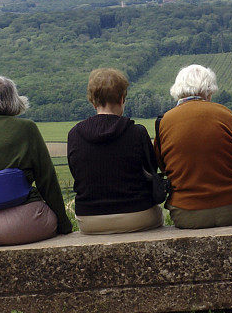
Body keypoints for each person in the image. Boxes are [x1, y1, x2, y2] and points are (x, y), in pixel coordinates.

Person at [0, 75, 71, 247]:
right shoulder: (27, 128)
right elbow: (47, 181)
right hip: (25, 224)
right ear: (14, 100)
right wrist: (64, 225)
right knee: (50, 219)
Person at [67, 68, 163, 234]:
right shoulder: (137, 132)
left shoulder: (74, 134)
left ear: (92, 101)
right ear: (122, 98)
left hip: (89, 219)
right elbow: (152, 171)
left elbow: (76, 172)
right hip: (137, 214)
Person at [156, 64, 232, 229]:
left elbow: (163, 166)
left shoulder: (165, 121)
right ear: (209, 90)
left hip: (186, 213)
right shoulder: (225, 114)